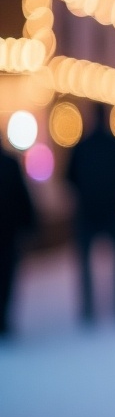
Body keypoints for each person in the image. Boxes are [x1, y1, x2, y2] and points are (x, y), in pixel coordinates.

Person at [65, 105, 115, 322]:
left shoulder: (82, 147)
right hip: (112, 211)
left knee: (86, 263)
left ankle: (88, 307)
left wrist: (85, 193)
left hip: (88, 212)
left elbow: (69, 177)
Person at [0, 144, 37, 337]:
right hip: (8, 232)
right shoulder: (10, 163)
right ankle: (3, 319)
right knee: (6, 277)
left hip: (8, 231)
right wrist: (30, 223)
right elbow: (22, 195)